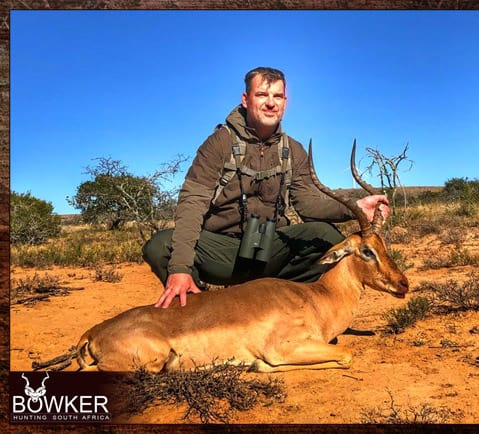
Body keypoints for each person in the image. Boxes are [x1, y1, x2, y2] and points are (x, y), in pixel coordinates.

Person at [142, 67, 389, 308]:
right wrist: (180, 268)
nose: (270, 103)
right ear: (246, 99)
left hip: (271, 249)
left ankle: (297, 310)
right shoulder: (220, 142)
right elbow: (192, 202)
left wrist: (355, 206)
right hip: (225, 252)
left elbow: (309, 204)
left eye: (277, 96)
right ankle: (199, 310)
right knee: (160, 246)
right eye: (262, 95)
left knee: (328, 237)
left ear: (285, 102)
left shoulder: (292, 149)